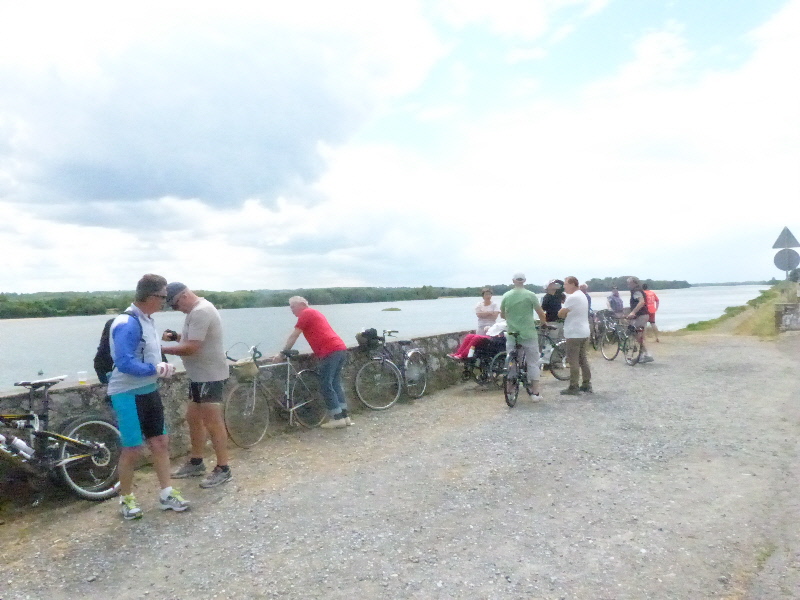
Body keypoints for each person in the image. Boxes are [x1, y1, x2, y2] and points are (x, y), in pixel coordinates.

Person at [108, 274, 188, 520]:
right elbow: (123, 362)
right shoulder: (126, 322)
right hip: (127, 393)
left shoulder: (147, 321)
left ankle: (166, 493)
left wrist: (159, 367)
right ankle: (126, 499)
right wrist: (155, 369)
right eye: (163, 297)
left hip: (148, 389)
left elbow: (149, 355)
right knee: (132, 449)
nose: (166, 302)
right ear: (150, 296)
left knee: (160, 442)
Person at [162, 283, 232, 489]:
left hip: (210, 375)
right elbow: (194, 338)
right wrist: (176, 338)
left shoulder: (201, 311)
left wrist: (160, 349)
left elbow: (192, 347)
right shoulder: (196, 311)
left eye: (175, 305)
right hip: (199, 375)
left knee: (212, 422)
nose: (176, 310)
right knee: (193, 418)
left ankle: (223, 468)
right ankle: (196, 461)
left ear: (184, 296)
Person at [276, 297, 351, 428]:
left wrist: (282, 353)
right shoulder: (314, 312)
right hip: (339, 348)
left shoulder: (306, 313)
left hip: (330, 350)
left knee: (326, 384)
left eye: (292, 306)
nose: (291, 310)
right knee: (335, 383)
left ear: (301, 305)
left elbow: (294, 335)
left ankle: (337, 418)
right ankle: (345, 417)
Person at [499, 273, 548, 401]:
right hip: (528, 333)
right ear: (524, 281)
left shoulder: (506, 295)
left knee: (512, 362)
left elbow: (503, 315)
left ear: (513, 280)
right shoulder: (530, 295)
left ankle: (510, 390)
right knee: (533, 362)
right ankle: (535, 393)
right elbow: (540, 313)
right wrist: (543, 323)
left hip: (512, 333)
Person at [558, 276, 592, 395]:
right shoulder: (582, 295)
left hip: (574, 333)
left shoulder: (572, 297)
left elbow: (561, 314)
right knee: (583, 359)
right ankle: (587, 383)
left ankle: (573, 386)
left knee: (573, 360)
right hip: (584, 331)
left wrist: (562, 311)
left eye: (566, 284)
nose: (564, 287)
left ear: (572, 284)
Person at [626, 276, 654, 363]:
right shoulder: (638, 290)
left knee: (636, 335)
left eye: (629, 283)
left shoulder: (636, 291)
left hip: (641, 316)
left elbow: (641, 302)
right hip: (644, 315)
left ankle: (646, 354)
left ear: (634, 283)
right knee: (640, 336)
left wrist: (633, 312)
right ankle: (643, 354)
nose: (628, 285)